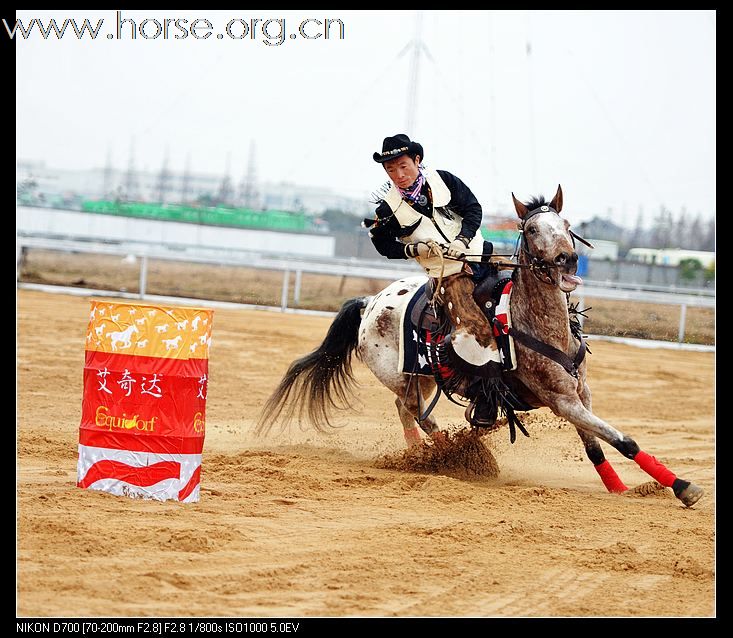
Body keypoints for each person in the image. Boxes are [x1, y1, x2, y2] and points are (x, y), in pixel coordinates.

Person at [364, 133, 498, 425]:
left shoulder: (445, 181)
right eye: (390, 170)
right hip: (449, 277)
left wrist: (463, 240)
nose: (398, 175)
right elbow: (383, 245)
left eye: (403, 166)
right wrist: (413, 248)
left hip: (483, 257)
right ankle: (483, 398)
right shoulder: (387, 210)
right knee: (476, 327)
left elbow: (474, 209)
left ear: (417, 160)